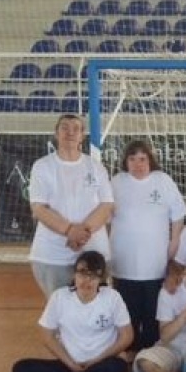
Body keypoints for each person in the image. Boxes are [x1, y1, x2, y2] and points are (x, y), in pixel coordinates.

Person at [11, 250, 133, 372]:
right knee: (21, 369)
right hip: (69, 364)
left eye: (93, 276)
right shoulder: (60, 297)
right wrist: (71, 364)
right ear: (74, 274)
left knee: (117, 369)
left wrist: (97, 360)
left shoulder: (112, 297)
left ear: (101, 278)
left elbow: (127, 335)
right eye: (82, 274)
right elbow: (46, 335)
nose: (86, 281)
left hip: (102, 363)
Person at [109, 139, 186, 351]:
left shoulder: (162, 180)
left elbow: (178, 215)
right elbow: (105, 216)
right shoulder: (116, 182)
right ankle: (130, 354)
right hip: (124, 265)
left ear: (150, 160)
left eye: (142, 159)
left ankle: (152, 355)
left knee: (153, 315)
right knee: (128, 315)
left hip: (155, 265)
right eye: (132, 159)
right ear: (125, 162)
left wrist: (174, 241)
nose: (138, 164)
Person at [27, 114, 115, 298]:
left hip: (94, 250)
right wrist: (69, 230)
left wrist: (82, 234)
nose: (70, 132)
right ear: (56, 133)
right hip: (53, 255)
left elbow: (106, 205)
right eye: (64, 127)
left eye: (76, 128)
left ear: (82, 135)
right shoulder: (42, 166)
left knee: (95, 309)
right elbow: (39, 208)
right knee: (61, 313)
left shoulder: (96, 167)